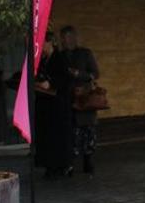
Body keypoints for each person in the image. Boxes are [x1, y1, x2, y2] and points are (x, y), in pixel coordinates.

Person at [60, 25, 100, 175]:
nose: (65, 40)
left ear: (74, 38)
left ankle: (88, 162)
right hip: (68, 100)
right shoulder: (61, 56)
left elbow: (95, 74)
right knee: (71, 133)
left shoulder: (85, 53)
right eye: (63, 37)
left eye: (68, 37)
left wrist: (79, 74)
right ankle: (69, 163)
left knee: (87, 131)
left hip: (84, 100)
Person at [33, 31, 74, 178]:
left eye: (43, 43)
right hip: (45, 104)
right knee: (47, 136)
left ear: (50, 43)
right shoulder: (43, 60)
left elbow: (66, 79)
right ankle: (49, 165)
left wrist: (51, 83)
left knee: (59, 136)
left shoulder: (60, 58)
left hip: (58, 105)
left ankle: (61, 165)